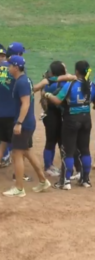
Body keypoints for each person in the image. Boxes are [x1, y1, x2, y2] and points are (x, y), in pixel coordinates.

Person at [3, 55, 51, 197]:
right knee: (27, 151)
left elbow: (26, 103)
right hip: (28, 122)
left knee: (17, 153)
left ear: (16, 67)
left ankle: (19, 188)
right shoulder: (25, 80)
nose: (8, 68)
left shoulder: (22, 83)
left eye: (10, 65)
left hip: (24, 123)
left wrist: (19, 123)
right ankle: (43, 180)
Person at [44, 60, 94, 189]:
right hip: (86, 120)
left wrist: (48, 94)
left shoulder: (70, 85)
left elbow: (57, 100)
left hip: (71, 120)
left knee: (68, 151)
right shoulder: (91, 85)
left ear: (77, 71)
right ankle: (85, 180)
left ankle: (65, 182)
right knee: (85, 150)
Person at [0, 42, 28, 183]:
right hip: (14, 113)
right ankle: (17, 174)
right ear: (17, 55)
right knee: (19, 147)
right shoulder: (17, 70)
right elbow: (24, 90)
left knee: (2, 143)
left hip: (0, 112)